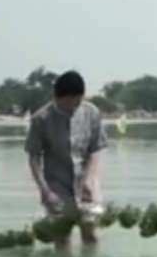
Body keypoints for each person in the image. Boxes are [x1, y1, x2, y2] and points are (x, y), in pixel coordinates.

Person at [25, 71, 108, 247]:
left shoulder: (91, 112)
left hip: (86, 180)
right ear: (56, 97)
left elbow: (95, 151)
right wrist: (44, 190)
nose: (72, 108)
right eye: (68, 103)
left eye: (77, 102)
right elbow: (34, 158)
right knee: (62, 237)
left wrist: (88, 180)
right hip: (56, 184)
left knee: (90, 231)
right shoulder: (41, 119)